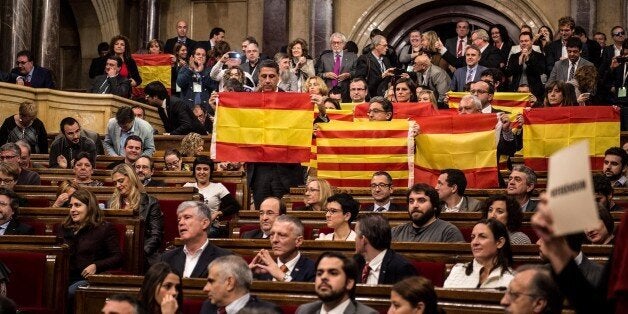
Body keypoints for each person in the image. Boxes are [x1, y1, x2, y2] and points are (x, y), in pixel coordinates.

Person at [247, 60, 306, 210]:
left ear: (278, 77)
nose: (267, 80)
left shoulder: (292, 100)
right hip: (260, 171)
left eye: (272, 76)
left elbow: (304, 128)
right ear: (258, 78)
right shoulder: (248, 102)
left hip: (286, 170)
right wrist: (218, 107)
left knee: (287, 217)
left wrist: (321, 110)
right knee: (264, 214)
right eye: (264, 76)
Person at [60, 189, 123, 298]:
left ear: (89, 207)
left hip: (87, 280)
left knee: (69, 293)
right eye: (71, 206)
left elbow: (117, 257)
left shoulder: (104, 228)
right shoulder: (65, 227)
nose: (72, 210)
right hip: (63, 278)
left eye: (77, 205)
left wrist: (96, 266)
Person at [108, 164, 163, 265]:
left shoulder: (150, 202)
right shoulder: (111, 203)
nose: (117, 186)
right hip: (115, 255)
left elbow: (155, 236)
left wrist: (139, 255)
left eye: (121, 181)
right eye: (115, 182)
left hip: (143, 255)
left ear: (132, 178)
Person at [161, 201, 231, 278]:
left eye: (187, 217)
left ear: (204, 223)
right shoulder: (167, 258)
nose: (181, 223)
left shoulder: (224, 258)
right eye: (179, 220)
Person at [296, 252, 378, 314]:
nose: (323, 277)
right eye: (319, 273)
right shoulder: (304, 311)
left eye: (333, 273)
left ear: (349, 283)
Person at [444, 219, 514, 289]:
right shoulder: (458, 270)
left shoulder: (511, 280)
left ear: (499, 243)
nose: (475, 242)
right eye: (473, 237)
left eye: (482, 237)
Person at [200, 255, 281, 314]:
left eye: (211, 281)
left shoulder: (266, 311)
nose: (205, 288)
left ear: (230, 283)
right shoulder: (208, 306)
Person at [354, 213, 417, 285]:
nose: (354, 239)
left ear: (363, 239)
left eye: (356, 234)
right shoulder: (357, 262)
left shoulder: (402, 268)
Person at [249, 215, 315, 282]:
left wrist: (280, 275)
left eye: (282, 235)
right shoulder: (262, 267)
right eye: (272, 234)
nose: (274, 240)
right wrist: (247, 274)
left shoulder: (312, 269)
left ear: (298, 241)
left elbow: (304, 292)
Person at [391, 183, 465, 243]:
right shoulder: (395, 232)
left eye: (421, 200)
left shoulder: (449, 232)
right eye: (411, 201)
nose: (415, 205)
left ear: (434, 205)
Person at [316, 32, 358, 101]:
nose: (336, 45)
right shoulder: (324, 57)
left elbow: (358, 72)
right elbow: (317, 74)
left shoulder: (352, 57)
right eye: (333, 43)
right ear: (330, 44)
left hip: (346, 92)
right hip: (328, 92)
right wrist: (325, 75)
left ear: (343, 44)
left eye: (338, 43)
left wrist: (349, 75)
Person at [506, 32, 546, 101]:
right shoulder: (514, 56)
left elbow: (540, 71)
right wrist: (519, 62)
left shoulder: (539, 56)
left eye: (526, 41)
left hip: (534, 91)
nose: (523, 43)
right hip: (516, 91)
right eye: (521, 41)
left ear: (531, 41)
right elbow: (508, 72)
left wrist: (528, 60)